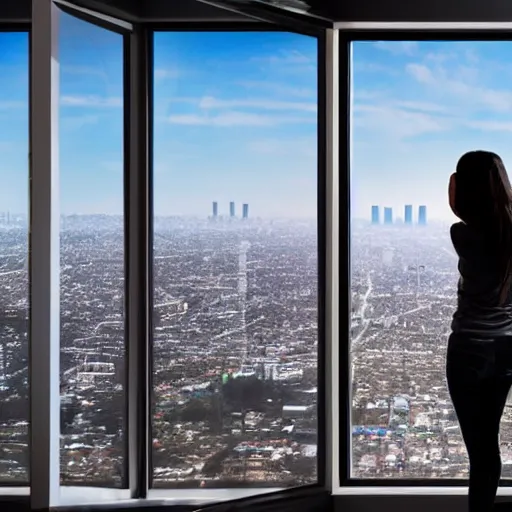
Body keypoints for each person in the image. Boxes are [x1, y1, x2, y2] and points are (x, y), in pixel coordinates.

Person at [447, 150, 512, 512]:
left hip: (468, 351)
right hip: (506, 349)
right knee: (490, 449)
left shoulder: (463, 235)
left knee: (482, 451)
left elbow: (460, 210)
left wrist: (456, 185)